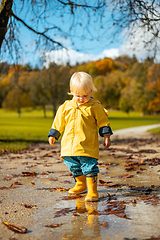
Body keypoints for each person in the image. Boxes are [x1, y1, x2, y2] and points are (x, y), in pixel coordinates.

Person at [48, 72, 113, 201]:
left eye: (85, 95)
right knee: (73, 166)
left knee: (88, 167)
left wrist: (106, 136)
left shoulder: (95, 106)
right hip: (69, 146)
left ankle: (93, 191)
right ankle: (81, 184)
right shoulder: (65, 107)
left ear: (90, 90)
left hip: (86, 145)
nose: (82, 99)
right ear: (72, 91)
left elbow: (103, 122)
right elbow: (58, 122)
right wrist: (53, 135)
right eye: (78, 95)